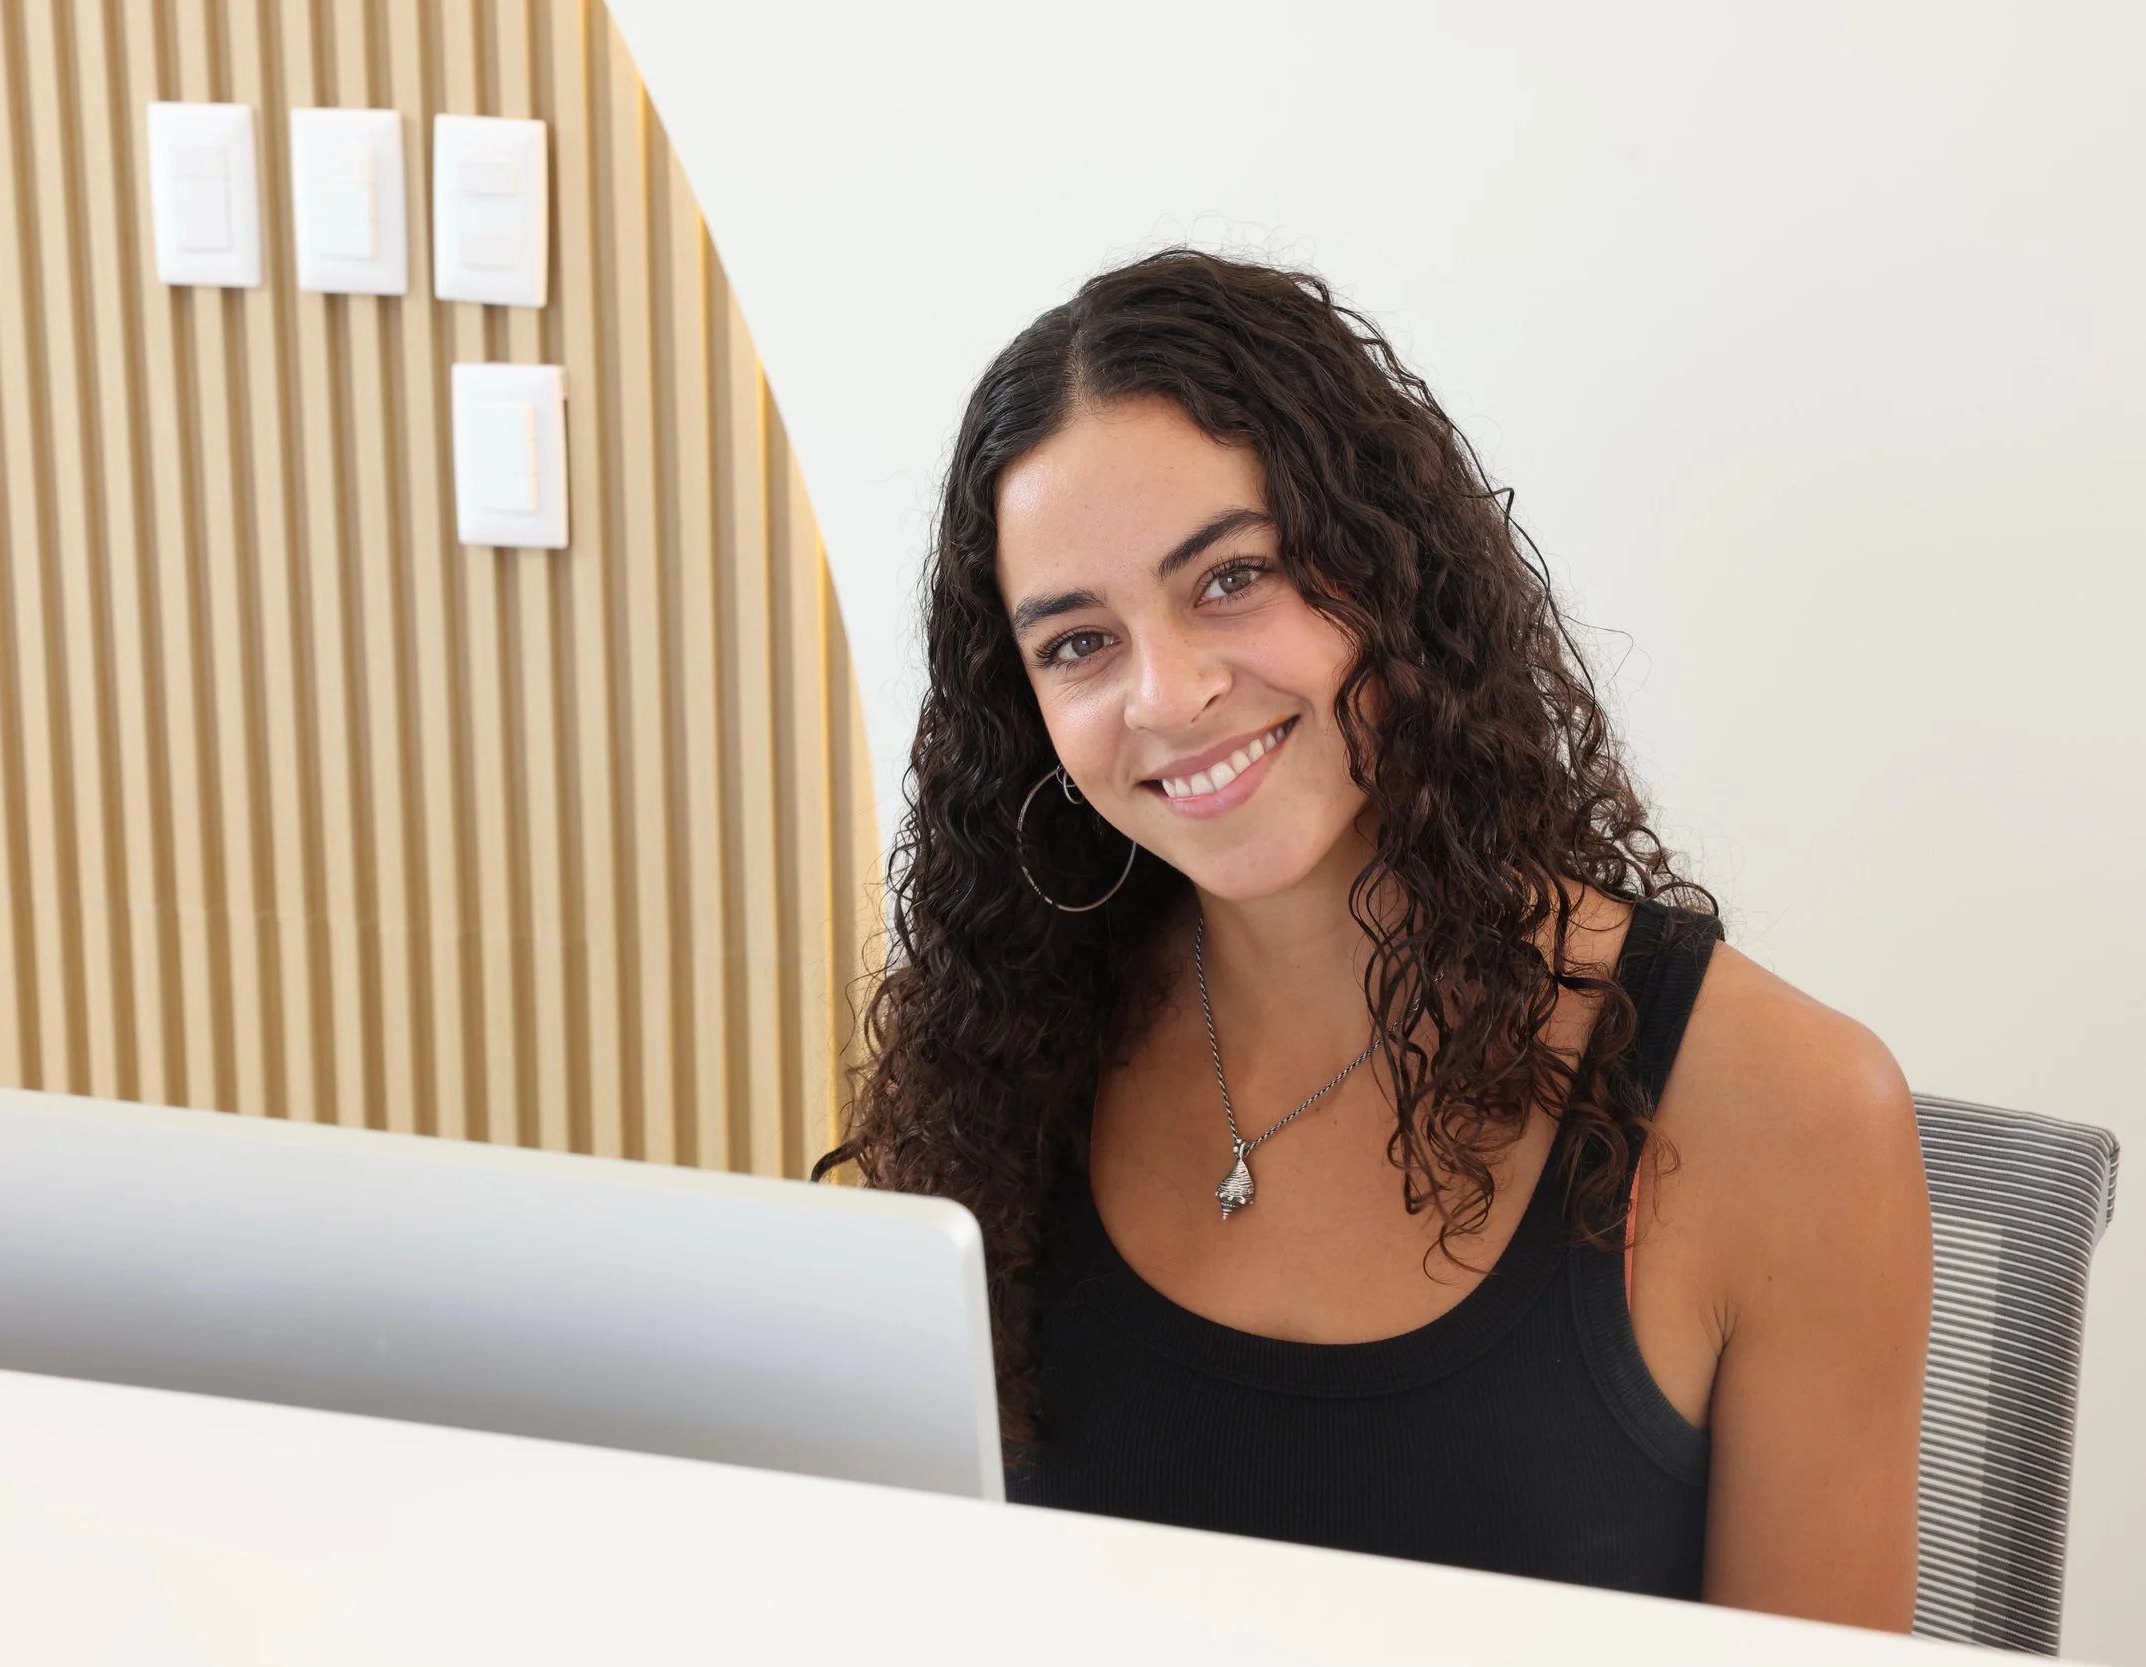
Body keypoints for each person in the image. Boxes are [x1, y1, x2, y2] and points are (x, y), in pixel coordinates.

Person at [814, 250, 1933, 1627]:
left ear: (1391, 567)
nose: (1170, 693)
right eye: (1078, 644)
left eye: (1231, 577)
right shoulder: (1004, 1063)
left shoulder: (1793, 1111)